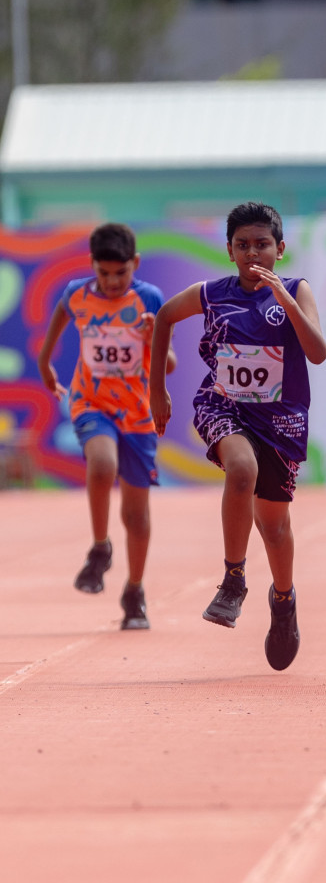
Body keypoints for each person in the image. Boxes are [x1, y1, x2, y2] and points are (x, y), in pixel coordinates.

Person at [148, 203, 326, 671]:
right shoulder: (211, 294)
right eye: (243, 245)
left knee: (275, 527)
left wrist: (286, 303)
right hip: (222, 406)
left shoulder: (296, 290)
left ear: (280, 250)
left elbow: (318, 352)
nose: (253, 253)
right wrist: (157, 392)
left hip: (280, 421)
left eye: (262, 245)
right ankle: (233, 578)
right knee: (241, 470)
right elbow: (164, 317)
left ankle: (283, 600)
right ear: (229, 250)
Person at [36, 223, 175, 629]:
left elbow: (169, 365)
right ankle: (100, 548)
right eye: (104, 273)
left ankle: (135, 591)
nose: (112, 282)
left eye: (121, 273)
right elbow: (56, 330)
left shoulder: (150, 298)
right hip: (91, 401)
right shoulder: (76, 294)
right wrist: (45, 365)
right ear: (93, 267)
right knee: (100, 464)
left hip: (137, 413)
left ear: (136, 263)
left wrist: (152, 340)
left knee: (136, 515)